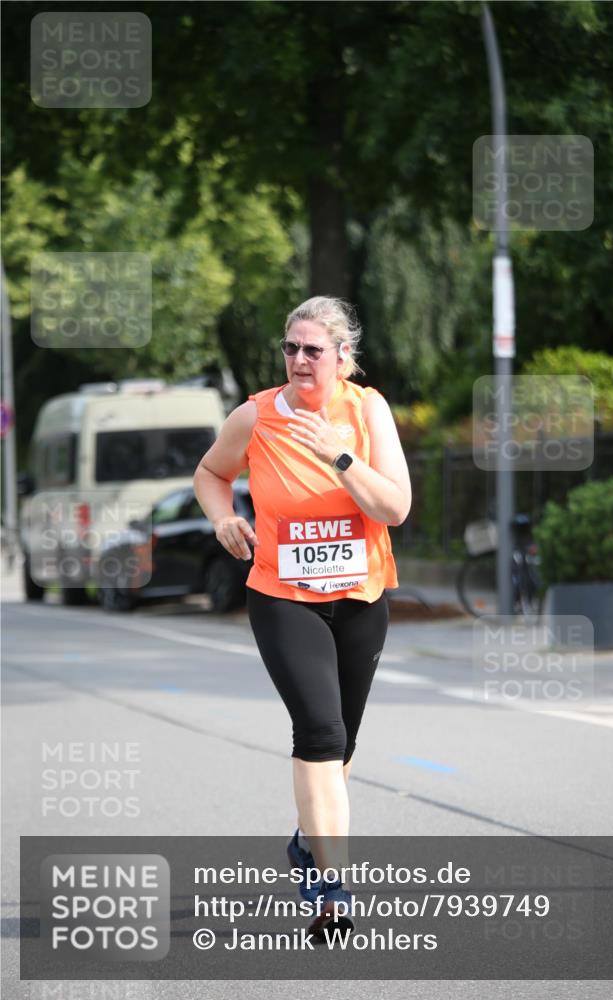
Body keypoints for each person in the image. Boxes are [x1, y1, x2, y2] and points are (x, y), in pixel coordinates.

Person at [193, 296, 411, 937]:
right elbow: (210, 472)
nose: (298, 359)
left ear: (343, 357)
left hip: (361, 596)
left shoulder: (367, 409)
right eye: (290, 348)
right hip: (283, 595)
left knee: (340, 744)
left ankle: (305, 841)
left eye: (313, 349)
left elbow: (394, 508)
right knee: (318, 734)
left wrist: (339, 457)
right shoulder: (256, 416)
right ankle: (331, 886)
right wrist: (223, 517)